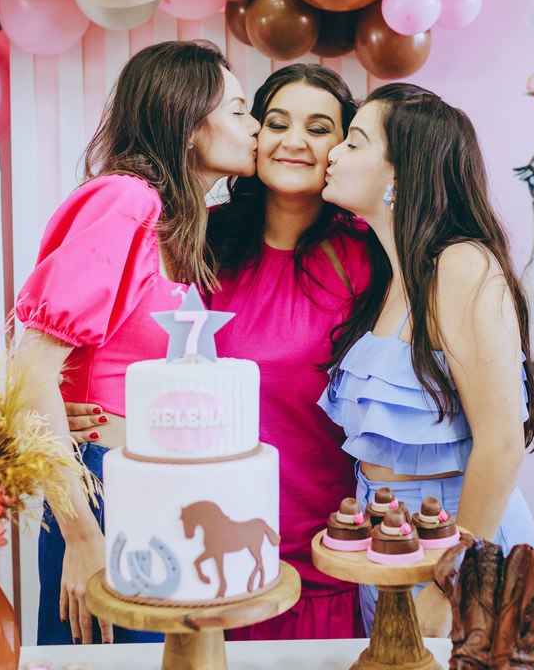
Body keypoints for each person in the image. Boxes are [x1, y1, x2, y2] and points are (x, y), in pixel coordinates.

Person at [15, 40, 260, 645]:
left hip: (159, 484)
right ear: (187, 120)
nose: (254, 128)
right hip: (107, 491)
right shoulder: (126, 200)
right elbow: (27, 375)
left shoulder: (176, 224)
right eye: (238, 110)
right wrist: (80, 534)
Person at [318, 82, 534, 637]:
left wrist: (452, 582)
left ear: (400, 173)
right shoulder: (391, 280)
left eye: (354, 141)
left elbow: (501, 444)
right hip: (389, 545)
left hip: (457, 545)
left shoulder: (463, 266)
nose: (334, 153)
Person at [205, 64, 373, 640]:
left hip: (326, 559)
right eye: (277, 122)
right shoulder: (197, 242)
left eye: (320, 127)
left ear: (343, 148)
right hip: (207, 561)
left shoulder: (370, 257)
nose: (294, 140)